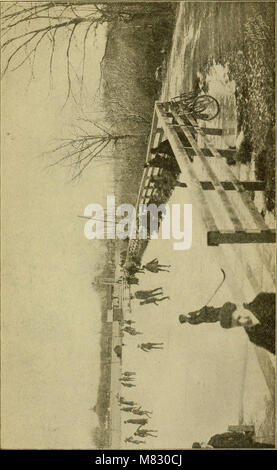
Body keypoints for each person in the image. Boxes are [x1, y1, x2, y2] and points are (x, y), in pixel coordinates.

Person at [192, 431, 274, 448]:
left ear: (202, 443)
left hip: (243, 444)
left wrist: (242, 436)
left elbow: (229, 434)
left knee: (263, 447)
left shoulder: (214, 439)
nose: (204, 448)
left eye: (202, 446)